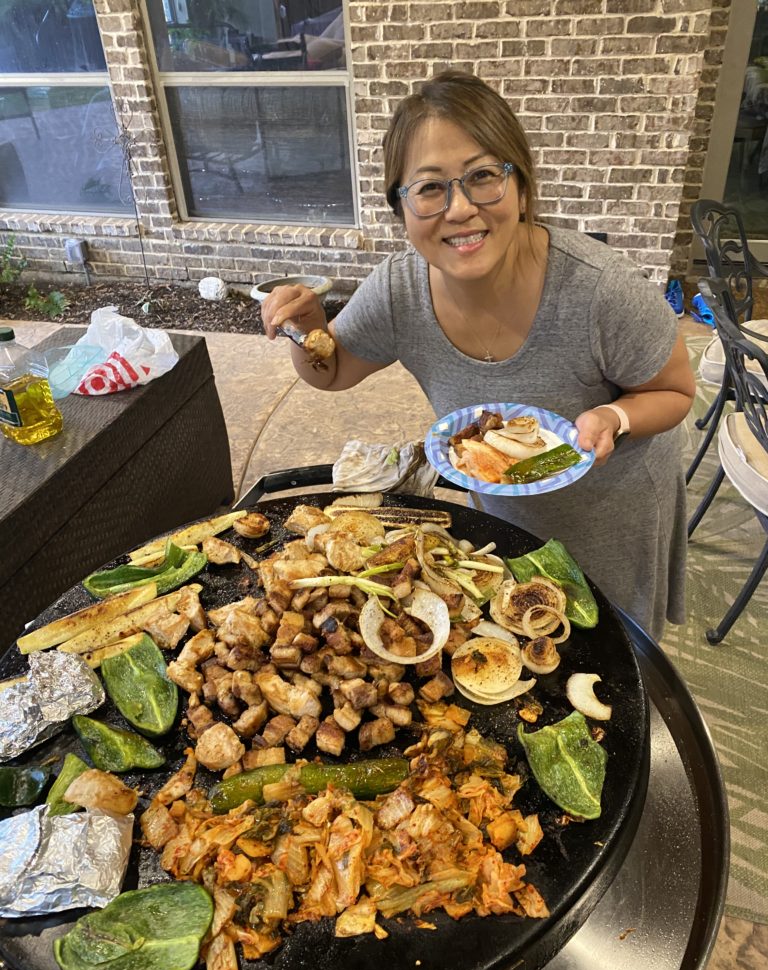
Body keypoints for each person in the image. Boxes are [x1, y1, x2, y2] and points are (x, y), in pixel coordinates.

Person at [261, 70, 696, 639]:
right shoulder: (400, 290)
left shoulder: (598, 289)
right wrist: (307, 329)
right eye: (430, 187)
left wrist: (614, 416)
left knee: (612, 652)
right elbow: (332, 369)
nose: (460, 208)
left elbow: (676, 390)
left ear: (520, 184)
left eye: (483, 176)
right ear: (402, 205)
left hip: (612, 511)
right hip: (505, 512)